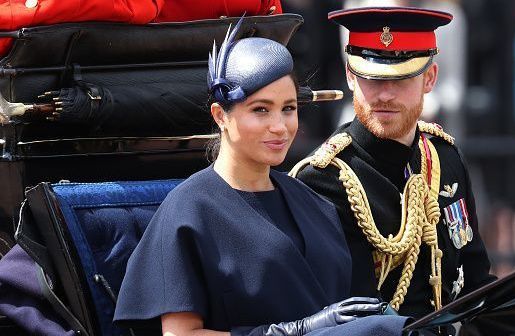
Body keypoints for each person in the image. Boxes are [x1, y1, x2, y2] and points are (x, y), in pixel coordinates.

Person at [113, 18, 411, 335]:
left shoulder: (313, 203)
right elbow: (180, 334)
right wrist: (286, 332)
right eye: (260, 110)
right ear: (220, 115)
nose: (280, 126)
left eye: (289, 108)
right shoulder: (189, 210)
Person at [292, 7, 497, 318]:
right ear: (350, 75)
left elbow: (476, 284)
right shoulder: (322, 180)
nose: (385, 95)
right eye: (372, 79)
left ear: (429, 78)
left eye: (401, 79)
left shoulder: (445, 158)